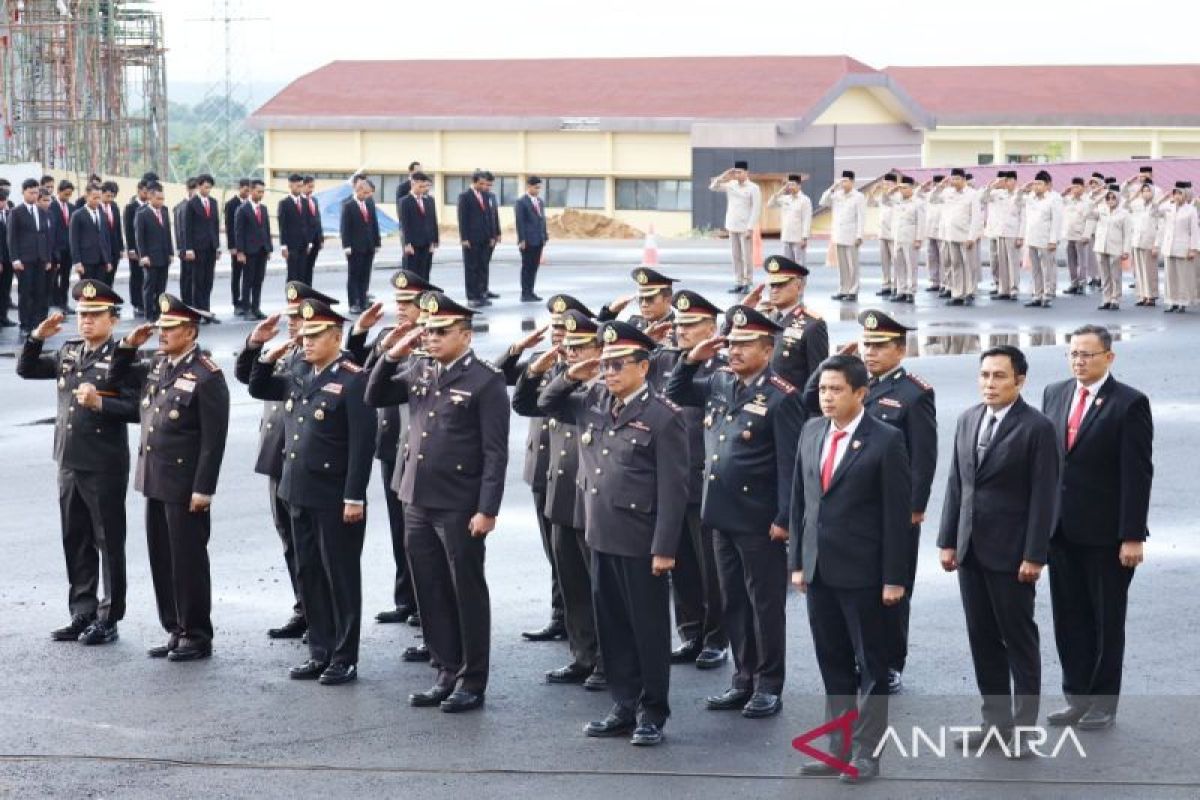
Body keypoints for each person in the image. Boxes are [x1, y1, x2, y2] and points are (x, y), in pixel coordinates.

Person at [538, 321, 688, 747]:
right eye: (604, 364)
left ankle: (652, 712)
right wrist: (571, 374)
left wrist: (664, 548)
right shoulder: (596, 400)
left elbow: (673, 490)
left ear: (644, 367)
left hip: (642, 542)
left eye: (617, 364)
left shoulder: (663, 416)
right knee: (614, 627)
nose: (608, 372)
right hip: (601, 533)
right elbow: (541, 402)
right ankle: (623, 705)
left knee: (648, 630)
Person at [365, 292, 510, 714]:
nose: (429, 338)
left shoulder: (485, 379)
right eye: (426, 331)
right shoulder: (419, 366)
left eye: (439, 332)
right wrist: (393, 354)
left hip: (460, 503)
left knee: (465, 590)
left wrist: (488, 508)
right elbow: (374, 395)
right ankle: (445, 669)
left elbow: (495, 452)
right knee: (429, 588)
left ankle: (472, 679)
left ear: (465, 335)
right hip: (417, 497)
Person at [668, 305, 804, 719]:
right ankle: (742, 678)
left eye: (745, 344)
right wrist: (689, 359)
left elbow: (790, 466)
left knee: (764, 604)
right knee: (733, 602)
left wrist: (784, 519)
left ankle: (768, 683)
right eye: (732, 343)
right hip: (720, 514)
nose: (735, 351)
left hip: (759, 519)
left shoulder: (782, 396)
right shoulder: (721, 382)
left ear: (767, 348)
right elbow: (676, 392)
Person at [791, 355, 911, 784]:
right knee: (834, 664)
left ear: (861, 393)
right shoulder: (811, 431)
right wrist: (798, 563)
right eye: (823, 389)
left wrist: (895, 578)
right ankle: (837, 749)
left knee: (873, 669)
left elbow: (897, 517)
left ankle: (866, 754)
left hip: (866, 575)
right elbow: (800, 502)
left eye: (836, 389)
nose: (827, 397)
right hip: (821, 571)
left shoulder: (886, 440)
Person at [802, 310, 936, 694]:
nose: (871, 352)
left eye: (879, 346)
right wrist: (832, 363)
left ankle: (891, 660)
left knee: (892, 588)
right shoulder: (852, 385)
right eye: (866, 345)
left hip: (892, 506)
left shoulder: (914, 392)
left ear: (900, 348)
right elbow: (809, 402)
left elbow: (922, 457)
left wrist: (914, 506)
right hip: (851, 504)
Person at [937, 345, 1059, 756]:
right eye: (985, 375)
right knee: (982, 639)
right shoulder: (968, 418)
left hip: (1013, 555)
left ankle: (1023, 730)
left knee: (1018, 641)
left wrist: (1035, 554)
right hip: (971, 550)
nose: (990, 384)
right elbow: (957, 483)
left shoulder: (1037, 428)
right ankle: (995, 723)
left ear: (1020, 381)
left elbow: (1045, 497)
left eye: (999, 376)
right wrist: (948, 540)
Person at [249, 297, 376, 685]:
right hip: (296, 489)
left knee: (339, 576)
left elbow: (361, 444)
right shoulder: (299, 370)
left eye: (316, 335)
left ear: (336, 336)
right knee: (309, 574)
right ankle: (319, 651)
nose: (306, 341)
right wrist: (266, 357)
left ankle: (344, 656)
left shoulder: (354, 378)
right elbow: (258, 387)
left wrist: (355, 496)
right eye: (304, 335)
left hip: (334, 496)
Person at [17, 281, 140, 646]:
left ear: (112, 321)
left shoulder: (123, 358)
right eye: (82, 315)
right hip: (69, 460)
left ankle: (109, 616)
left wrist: (102, 404)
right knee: (76, 538)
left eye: (94, 315)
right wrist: (37, 337)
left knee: (108, 541)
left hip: (103, 462)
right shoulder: (70, 352)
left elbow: (138, 408)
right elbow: (26, 369)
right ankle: (81, 611)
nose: (85, 322)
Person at [1042, 325, 1152, 731]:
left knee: (1105, 620)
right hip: (1060, 530)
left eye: (1087, 354)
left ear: (1109, 357)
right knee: (1068, 618)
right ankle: (1077, 697)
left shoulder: (1129, 403)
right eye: (1073, 353)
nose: (1079, 361)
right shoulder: (1055, 394)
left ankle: (1104, 703)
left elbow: (1137, 474)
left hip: (1107, 535)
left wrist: (1132, 535)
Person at [111, 294, 231, 662]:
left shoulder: (206, 375)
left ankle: (196, 633)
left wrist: (203, 488)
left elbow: (213, 440)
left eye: (170, 328)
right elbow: (116, 378)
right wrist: (128, 346)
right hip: (155, 478)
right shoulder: (158, 363)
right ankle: (175, 628)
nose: (162, 334)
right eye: (160, 328)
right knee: (162, 558)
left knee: (188, 560)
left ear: (190, 331)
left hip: (184, 485)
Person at [235, 281, 343, 640]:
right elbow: (247, 378)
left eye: (301, 317)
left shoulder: (318, 356)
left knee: (317, 546)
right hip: (276, 457)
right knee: (290, 539)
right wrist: (255, 344)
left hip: (307, 459)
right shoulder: (285, 351)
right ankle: (305, 607)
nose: (294, 323)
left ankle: (324, 614)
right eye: (292, 316)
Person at [511, 308, 606, 689]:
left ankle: (607, 660)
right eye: (568, 348)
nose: (572, 355)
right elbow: (524, 403)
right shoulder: (563, 381)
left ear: (599, 349)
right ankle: (583, 657)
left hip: (594, 500)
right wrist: (538, 369)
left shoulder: (606, 386)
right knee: (572, 583)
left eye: (580, 348)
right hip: (561, 493)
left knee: (600, 586)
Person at [343, 270, 440, 636]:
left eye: (407, 304)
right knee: (399, 527)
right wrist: (360, 334)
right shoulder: (389, 336)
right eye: (397, 303)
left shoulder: (432, 340)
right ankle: (406, 599)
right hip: (389, 445)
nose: (400, 310)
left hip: (418, 449)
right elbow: (359, 376)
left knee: (419, 530)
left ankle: (424, 602)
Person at [650, 291, 728, 672]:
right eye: (678, 325)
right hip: (668, 477)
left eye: (691, 325)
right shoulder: (663, 360)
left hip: (705, 478)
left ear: (711, 328)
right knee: (679, 561)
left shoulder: (724, 367)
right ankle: (690, 631)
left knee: (710, 565)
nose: (681, 331)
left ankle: (716, 638)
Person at [744, 256, 829, 391]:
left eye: (781, 284)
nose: (775, 290)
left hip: (792, 406)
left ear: (799, 287)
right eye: (772, 285)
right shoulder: (764, 317)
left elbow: (818, 378)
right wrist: (744, 310)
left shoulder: (813, 325)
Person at [928, 168, 981, 306]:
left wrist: (972, 237)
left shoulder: (972, 194)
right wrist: (939, 186)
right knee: (955, 265)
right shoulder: (947, 192)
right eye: (952, 179)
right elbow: (931, 199)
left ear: (963, 180)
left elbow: (976, 217)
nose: (954, 181)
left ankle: (970, 292)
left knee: (969, 265)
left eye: (957, 179)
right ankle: (957, 293)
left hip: (966, 236)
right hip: (950, 235)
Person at [708, 160, 762, 294]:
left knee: (747, 257)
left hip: (745, 227)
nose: (737, 174)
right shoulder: (731, 185)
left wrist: (750, 228)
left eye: (740, 172)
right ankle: (738, 282)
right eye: (736, 172)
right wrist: (724, 175)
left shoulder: (753, 188)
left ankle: (747, 282)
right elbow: (713, 187)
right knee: (736, 256)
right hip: (732, 225)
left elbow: (756, 209)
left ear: (746, 173)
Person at [8, 178, 52, 336]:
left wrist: (47, 258)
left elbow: (45, 236)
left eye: (36, 192)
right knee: (25, 292)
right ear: (23, 192)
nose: (34, 195)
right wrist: (15, 259)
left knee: (39, 291)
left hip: (40, 258)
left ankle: (36, 322)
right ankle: (25, 323)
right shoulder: (16, 212)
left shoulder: (41, 211)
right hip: (24, 260)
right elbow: (11, 237)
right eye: (31, 192)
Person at [1018, 171, 1063, 308]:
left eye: (1040, 184)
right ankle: (1037, 295)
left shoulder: (1054, 199)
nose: (1036, 186)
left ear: (1048, 185)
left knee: (1047, 269)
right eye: (1035, 183)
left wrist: (1053, 240)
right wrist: (1022, 189)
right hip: (1032, 238)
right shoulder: (1030, 198)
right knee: (1035, 269)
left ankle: (1047, 294)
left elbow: (1057, 220)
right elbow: (1018, 203)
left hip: (1046, 240)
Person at [1154, 181, 1200, 313]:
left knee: (1182, 276)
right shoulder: (1168, 207)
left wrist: (1193, 249)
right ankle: (1171, 301)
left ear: (1185, 195)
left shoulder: (1190, 210)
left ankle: (1182, 302)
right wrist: (1163, 198)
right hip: (1169, 246)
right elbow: (1154, 211)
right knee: (1170, 277)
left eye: (1180, 194)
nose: (1177, 196)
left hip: (1183, 247)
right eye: (1175, 193)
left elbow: (1194, 231)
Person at [820, 171, 865, 302]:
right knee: (842, 265)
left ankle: (853, 291)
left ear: (852, 182)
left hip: (852, 236)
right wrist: (833, 187)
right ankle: (843, 289)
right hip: (839, 235)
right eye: (842, 181)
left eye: (845, 181)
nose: (843, 183)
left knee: (853, 265)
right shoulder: (837, 195)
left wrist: (859, 236)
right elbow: (823, 201)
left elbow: (861, 217)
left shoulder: (858, 197)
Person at [457, 170, 499, 308]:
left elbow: (489, 216)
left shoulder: (486, 196)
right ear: (474, 182)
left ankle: (481, 294)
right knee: (471, 268)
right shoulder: (465, 197)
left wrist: (492, 235)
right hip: (471, 239)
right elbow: (462, 218)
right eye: (481, 183)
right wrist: (464, 238)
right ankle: (472, 297)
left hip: (485, 238)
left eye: (484, 183)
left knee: (482, 267)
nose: (483, 186)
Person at [182, 174, 221, 318]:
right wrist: (189, 249)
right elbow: (187, 228)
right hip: (197, 247)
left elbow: (215, 225)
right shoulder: (191, 204)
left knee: (208, 280)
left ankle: (207, 309)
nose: (208, 190)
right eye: (205, 187)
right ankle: (198, 311)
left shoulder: (213, 202)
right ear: (198, 186)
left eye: (210, 187)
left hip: (211, 246)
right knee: (198, 280)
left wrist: (217, 247)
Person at [340, 177, 381, 314]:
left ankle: (363, 301)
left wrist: (377, 242)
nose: (369, 196)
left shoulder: (369, 204)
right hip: (354, 247)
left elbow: (374, 224)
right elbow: (345, 228)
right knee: (354, 275)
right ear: (359, 190)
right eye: (367, 193)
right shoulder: (348, 206)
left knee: (365, 275)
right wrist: (346, 246)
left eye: (370, 193)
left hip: (369, 246)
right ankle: (353, 303)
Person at [134, 184, 173, 323]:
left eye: (163, 199)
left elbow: (167, 233)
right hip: (150, 257)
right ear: (150, 197)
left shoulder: (164, 212)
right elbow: (140, 237)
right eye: (158, 198)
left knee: (161, 287)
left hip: (163, 256)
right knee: (149, 287)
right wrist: (143, 256)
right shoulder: (142, 214)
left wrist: (170, 252)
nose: (161, 201)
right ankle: (149, 315)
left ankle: (159, 312)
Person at [982, 171, 1024, 301]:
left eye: (1011, 180)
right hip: (1000, 232)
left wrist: (1021, 236)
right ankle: (1003, 290)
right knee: (1002, 263)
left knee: (1013, 263)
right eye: (1006, 181)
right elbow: (983, 199)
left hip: (1013, 233)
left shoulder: (1020, 195)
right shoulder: (997, 194)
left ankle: (1014, 290)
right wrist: (992, 185)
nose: (1008, 183)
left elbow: (1023, 217)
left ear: (1015, 181)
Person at [233, 179, 272, 321]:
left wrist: (269, 248)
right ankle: (246, 309)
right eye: (258, 191)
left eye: (263, 192)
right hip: (249, 251)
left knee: (258, 280)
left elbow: (266, 229)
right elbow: (239, 232)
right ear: (251, 190)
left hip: (262, 249)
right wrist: (240, 252)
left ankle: (256, 308)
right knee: (247, 281)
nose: (261, 194)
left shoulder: (263, 208)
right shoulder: (242, 209)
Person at [1088, 187, 1131, 310]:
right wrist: (1099, 197)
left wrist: (1126, 250)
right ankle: (1106, 299)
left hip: (1116, 248)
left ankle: (1115, 299)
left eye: (1113, 198)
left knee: (1115, 275)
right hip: (1101, 247)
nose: (1111, 200)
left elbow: (1127, 234)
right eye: (1108, 198)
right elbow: (1088, 211)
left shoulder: (1124, 213)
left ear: (1118, 198)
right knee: (1104, 275)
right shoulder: (1101, 210)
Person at [884, 177, 926, 304]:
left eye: (905, 187)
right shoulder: (897, 200)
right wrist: (894, 189)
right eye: (901, 187)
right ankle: (901, 291)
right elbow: (884, 199)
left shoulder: (918, 203)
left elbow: (921, 222)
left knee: (911, 266)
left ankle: (911, 292)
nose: (902, 190)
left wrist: (919, 239)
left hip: (911, 238)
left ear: (912, 188)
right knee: (899, 265)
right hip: (898, 237)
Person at [1124, 180, 1161, 306]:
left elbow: (1160, 227)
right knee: (1139, 271)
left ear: (1153, 192)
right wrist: (1136, 193)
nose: (1145, 193)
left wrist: (1156, 244)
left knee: (1149, 271)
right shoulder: (1137, 205)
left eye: (1148, 190)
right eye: (1143, 191)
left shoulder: (1156, 206)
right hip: (1137, 240)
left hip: (1149, 242)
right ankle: (1142, 295)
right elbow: (1124, 204)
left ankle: (1151, 296)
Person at [398, 171, 439, 282]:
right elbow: (405, 224)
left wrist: (434, 241)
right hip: (413, 244)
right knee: (412, 273)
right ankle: (411, 297)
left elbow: (433, 221)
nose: (423, 189)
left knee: (425, 272)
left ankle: (424, 295)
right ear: (413, 184)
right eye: (420, 186)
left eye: (425, 186)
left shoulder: (429, 200)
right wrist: (407, 244)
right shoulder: (405, 201)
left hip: (427, 243)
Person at [515, 176, 549, 302]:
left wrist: (544, 236)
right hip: (527, 241)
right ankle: (525, 293)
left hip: (538, 240)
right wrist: (522, 239)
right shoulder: (521, 202)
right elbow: (520, 222)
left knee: (534, 267)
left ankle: (531, 291)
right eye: (536, 187)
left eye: (539, 187)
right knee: (527, 267)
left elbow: (542, 220)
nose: (538, 190)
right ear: (528, 186)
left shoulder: (539, 201)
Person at [68, 186, 113, 284]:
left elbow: (106, 238)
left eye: (99, 198)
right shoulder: (77, 215)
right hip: (86, 261)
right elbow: (73, 240)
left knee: (99, 291)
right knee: (88, 292)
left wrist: (108, 260)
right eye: (94, 198)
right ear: (86, 197)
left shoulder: (102, 214)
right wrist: (77, 262)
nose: (97, 201)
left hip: (101, 260)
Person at [768, 174, 812, 266]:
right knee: (787, 265)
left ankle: (802, 281)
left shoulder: (805, 200)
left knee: (800, 265)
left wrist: (804, 238)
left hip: (798, 238)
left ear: (799, 186)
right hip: (786, 237)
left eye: (793, 185)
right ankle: (791, 281)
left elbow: (806, 220)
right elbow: (770, 204)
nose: (790, 187)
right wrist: (781, 191)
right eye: (789, 185)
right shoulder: (785, 199)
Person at [867, 173, 898, 297]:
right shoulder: (882, 196)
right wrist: (872, 192)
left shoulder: (898, 196)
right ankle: (886, 285)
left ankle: (897, 286)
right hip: (882, 233)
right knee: (884, 262)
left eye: (888, 183)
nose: (885, 186)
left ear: (895, 184)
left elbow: (888, 199)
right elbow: (870, 203)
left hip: (893, 234)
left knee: (896, 262)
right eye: (884, 183)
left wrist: (886, 191)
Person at [278, 173, 311, 283]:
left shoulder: (305, 202)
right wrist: (283, 246)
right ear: (290, 186)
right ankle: (292, 299)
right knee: (292, 274)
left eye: (301, 186)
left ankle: (300, 298)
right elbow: (282, 226)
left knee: (302, 274)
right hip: (291, 245)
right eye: (297, 186)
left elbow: (307, 222)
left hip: (303, 244)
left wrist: (309, 242)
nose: (300, 188)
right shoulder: (284, 203)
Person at [49, 180, 75, 315]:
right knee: (53, 278)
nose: (67, 197)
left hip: (68, 250)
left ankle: (64, 302)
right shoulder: (51, 206)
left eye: (70, 194)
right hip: (55, 249)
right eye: (65, 194)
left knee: (66, 277)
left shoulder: (72, 207)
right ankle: (54, 302)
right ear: (59, 191)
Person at [225, 178, 251, 314]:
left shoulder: (250, 204)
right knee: (236, 275)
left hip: (249, 247)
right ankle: (236, 303)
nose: (247, 193)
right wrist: (232, 246)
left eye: (249, 190)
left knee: (248, 275)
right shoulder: (231, 204)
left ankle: (247, 301)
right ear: (239, 188)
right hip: (236, 246)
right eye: (246, 190)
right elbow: (229, 227)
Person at [918, 175, 947, 294]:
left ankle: (945, 283)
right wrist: (921, 187)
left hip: (942, 232)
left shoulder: (947, 195)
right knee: (932, 258)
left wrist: (941, 187)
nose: (936, 186)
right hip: (930, 232)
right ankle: (935, 282)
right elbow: (916, 195)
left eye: (938, 183)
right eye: (935, 184)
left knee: (944, 259)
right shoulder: (929, 196)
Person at [173, 178, 197, 306]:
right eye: (194, 189)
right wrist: (185, 248)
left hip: (190, 248)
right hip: (187, 248)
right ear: (189, 189)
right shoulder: (183, 206)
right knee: (187, 277)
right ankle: (187, 302)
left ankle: (190, 302)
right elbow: (181, 230)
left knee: (191, 277)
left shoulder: (183, 205)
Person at [98, 181, 124, 290]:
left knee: (111, 277)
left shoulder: (114, 207)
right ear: (101, 194)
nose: (110, 199)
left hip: (114, 248)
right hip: (101, 250)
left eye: (112, 196)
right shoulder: (96, 208)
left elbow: (118, 228)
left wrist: (121, 248)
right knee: (101, 278)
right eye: (107, 196)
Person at [301, 176, 324, 285]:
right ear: (303, 186)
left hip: (316, 239)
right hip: (305, 241)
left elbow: (317, 219)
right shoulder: (299, 202)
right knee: (303, 268)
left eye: (313, 187)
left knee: (310, 267)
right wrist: (307, 242)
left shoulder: (314, 200)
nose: (311, 189)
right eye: (309, 187)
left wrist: (321, 238)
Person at [0, 187, 14, 328]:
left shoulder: (10, 215)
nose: (2, 203)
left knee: (5, 290)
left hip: (9, 259)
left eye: (4, 200)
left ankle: (4, 317)